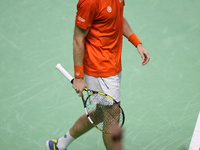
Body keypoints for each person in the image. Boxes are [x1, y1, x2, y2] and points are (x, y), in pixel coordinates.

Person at [45, 0, 150, 150]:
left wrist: (136, 42)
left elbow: (118, 18)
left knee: (102, 113)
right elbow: (78, 39)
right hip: (99, 69)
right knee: (112, 117)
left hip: (113, 63)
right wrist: (79, 77)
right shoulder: (90, 2)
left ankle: (60, 144)